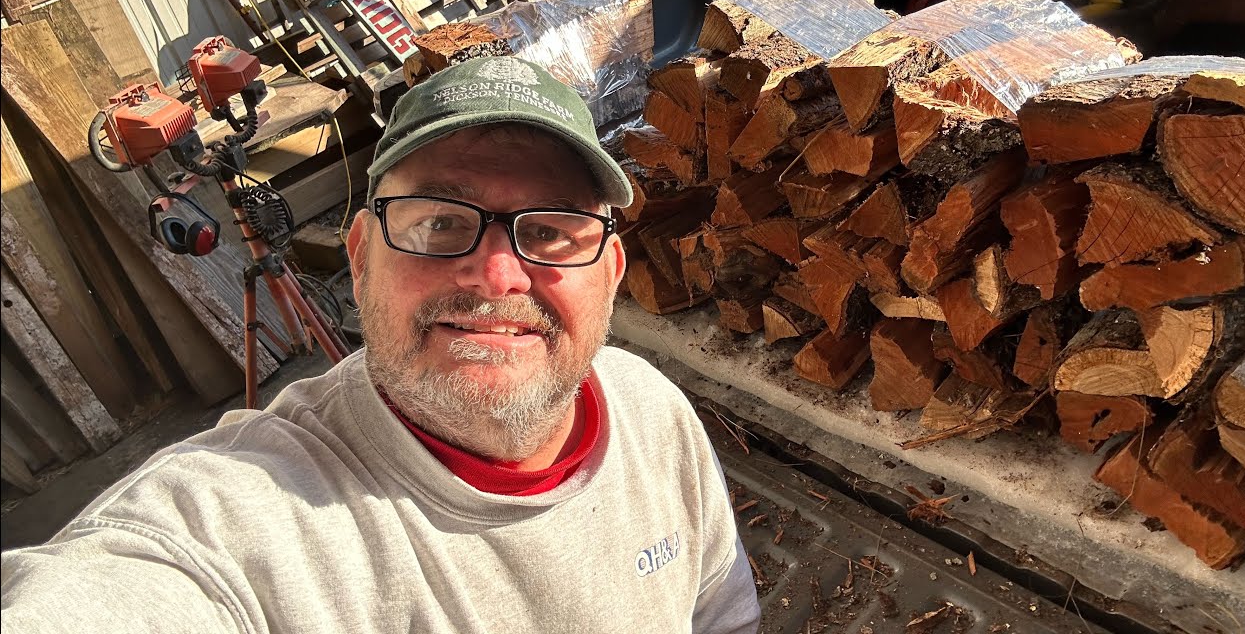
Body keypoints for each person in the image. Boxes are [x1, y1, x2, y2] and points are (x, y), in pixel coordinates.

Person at [1, 56, 762, 633]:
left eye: (553, 232)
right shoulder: (245, 524)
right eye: (438, 221)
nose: (499, 275)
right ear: (361, 255)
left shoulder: (652, 411)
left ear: (611, 272)